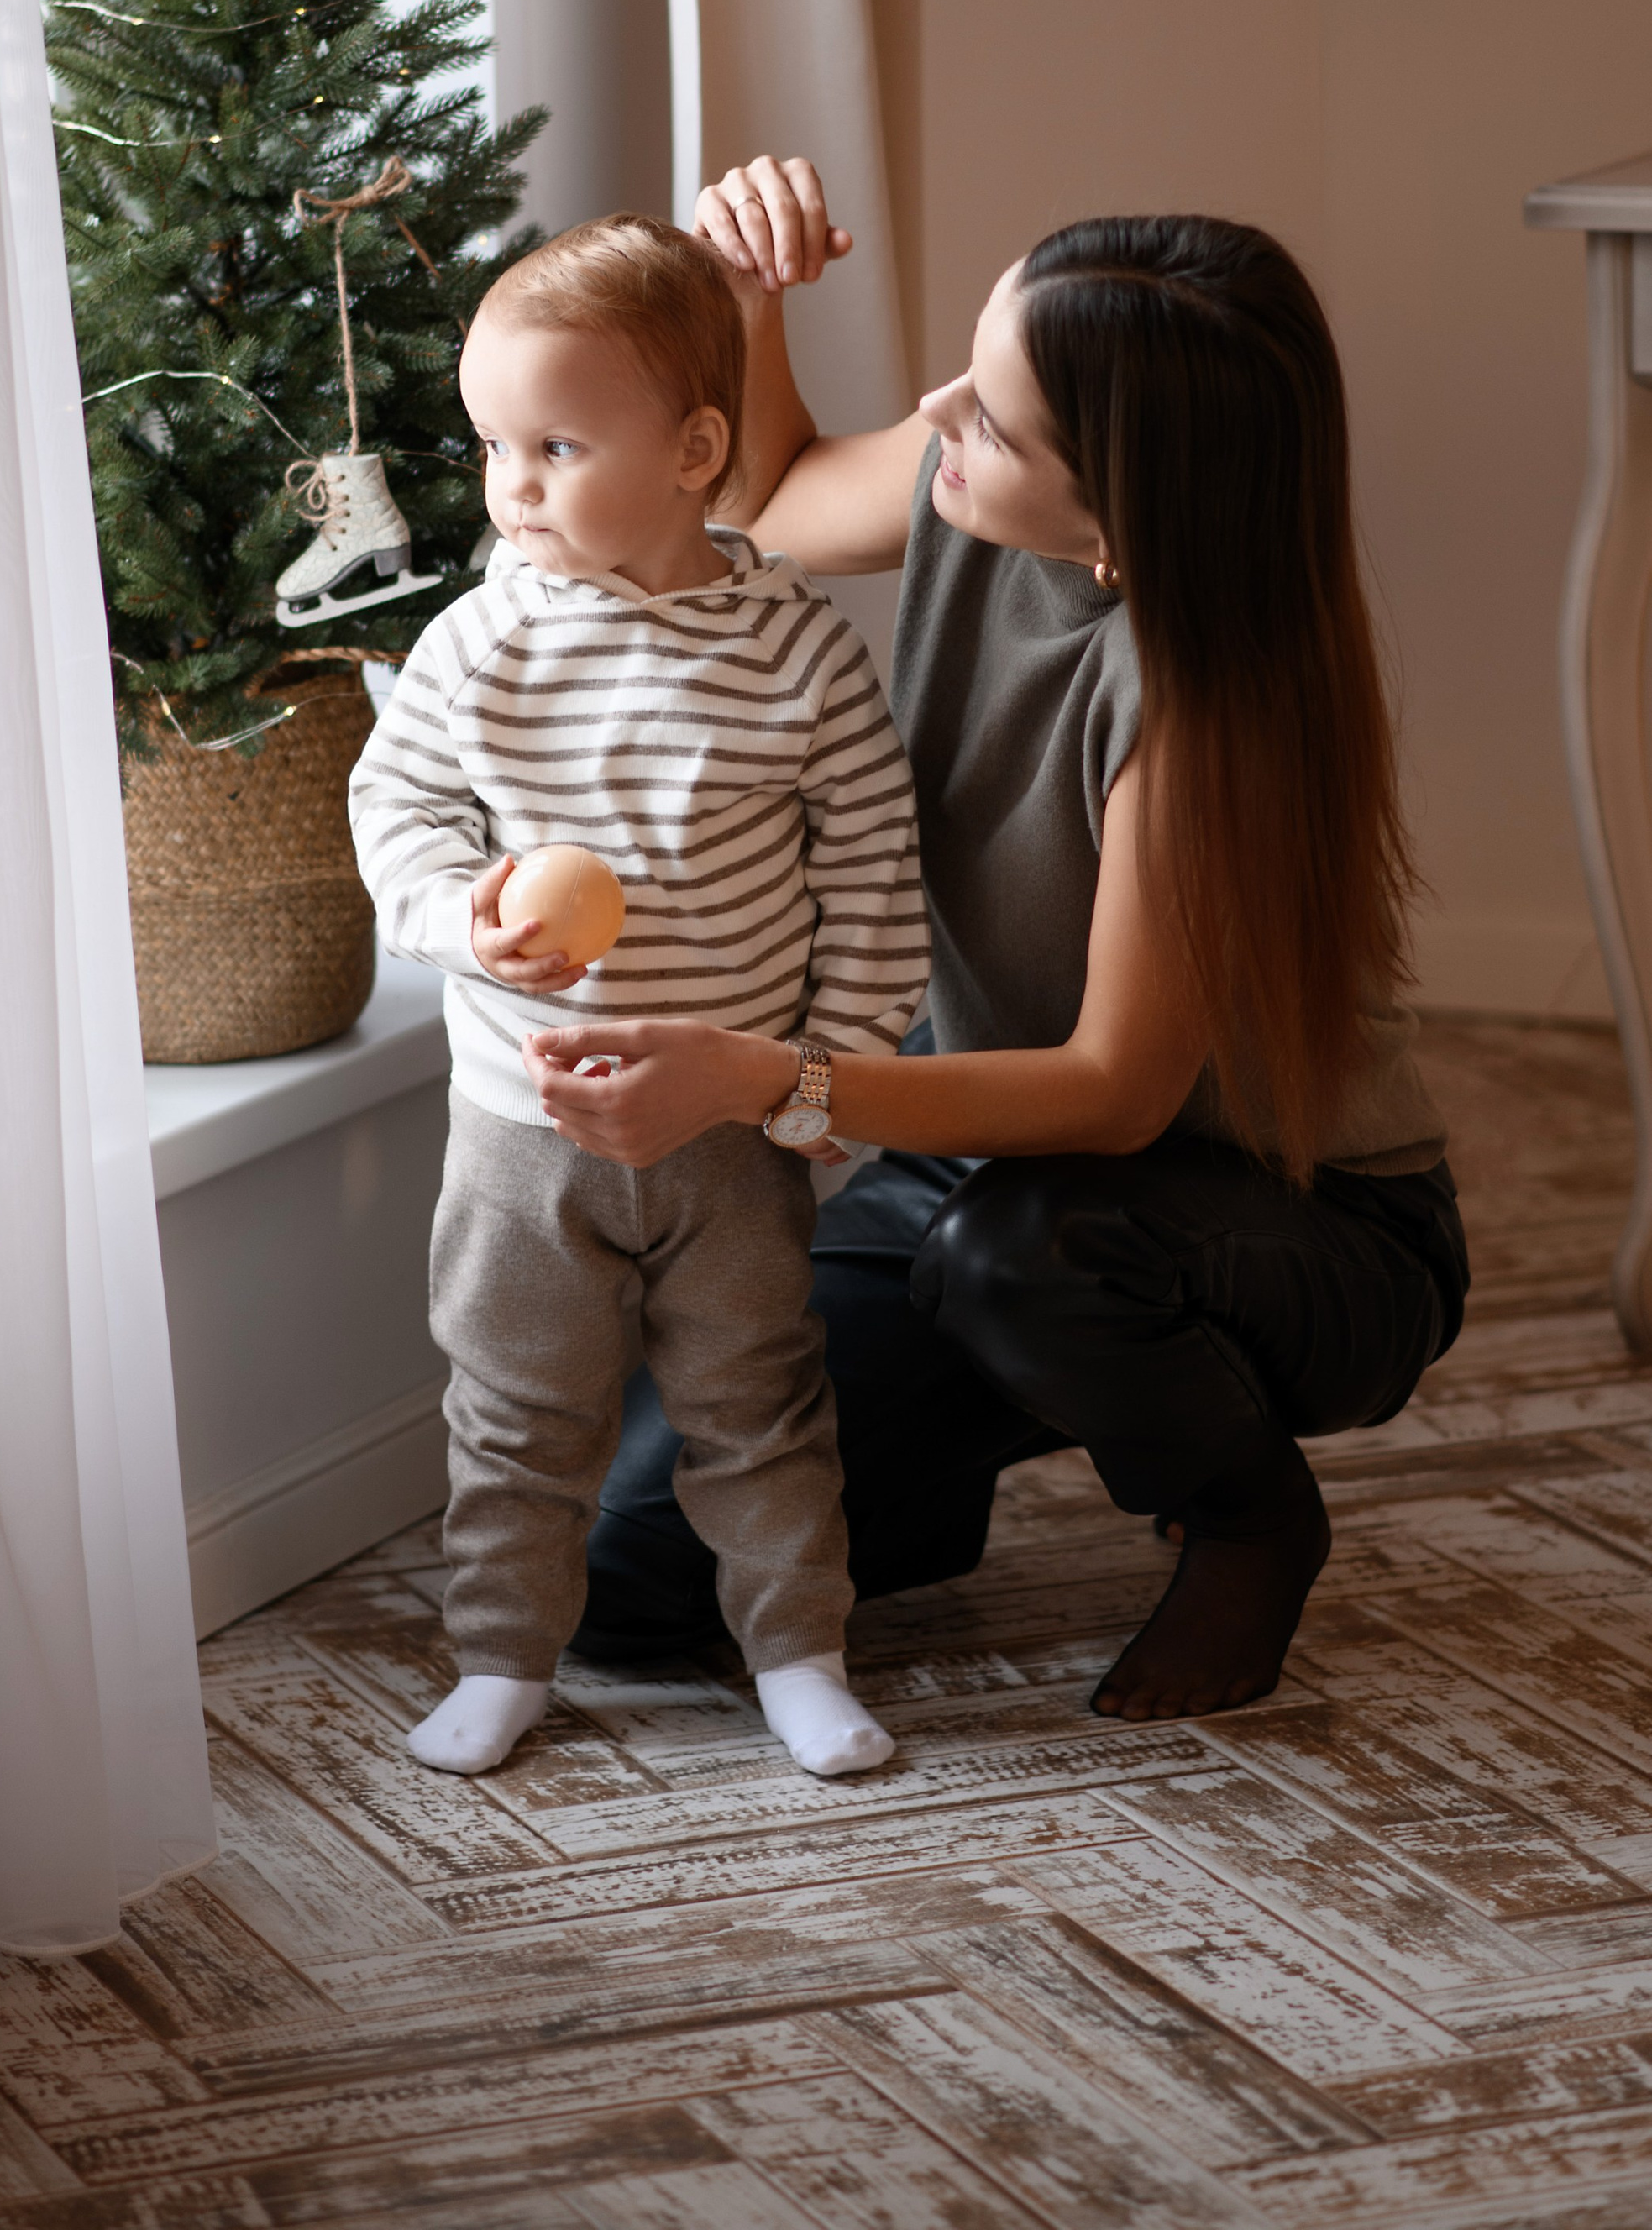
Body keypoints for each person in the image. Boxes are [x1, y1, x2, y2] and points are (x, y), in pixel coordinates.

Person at [519, 165, 1469, 1724]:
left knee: (1025, 1266)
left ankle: (1246, 1517)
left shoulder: (1198, 700)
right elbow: (767, 494)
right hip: (1002, 1175)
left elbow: (1112, 1098)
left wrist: (764, 1082)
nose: (940, 404)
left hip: (1298, 1227)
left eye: (992, 413)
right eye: (974, 356)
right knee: (619, 1586)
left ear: (1119, 515)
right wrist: (750, 304)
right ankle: (931, 1459)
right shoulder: (975, 479)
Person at [348, 215, 930, 1780]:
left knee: (759, 1406)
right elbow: (395, 813)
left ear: (695, 449)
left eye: (554, 444)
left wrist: (835, 1073)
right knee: (517, 1412)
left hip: (731, 1127)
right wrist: (465, 924)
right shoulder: (478, 644)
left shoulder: (796, 650)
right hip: (520, 1125)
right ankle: (503, 1661)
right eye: (491, 446)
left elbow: (872, 865)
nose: (510, 486)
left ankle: (801, 1655)